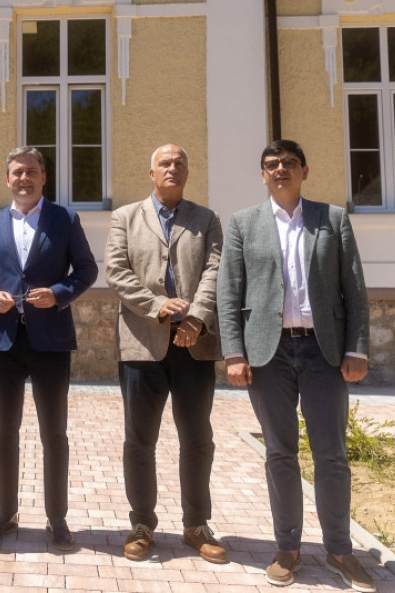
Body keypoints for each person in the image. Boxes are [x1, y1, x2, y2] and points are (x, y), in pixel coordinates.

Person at [217, 139, 374, 592]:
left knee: (331, 454)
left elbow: (355, 289)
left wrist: (357, 349)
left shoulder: (333, 219)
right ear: (263, 174)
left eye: (289, 162)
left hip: (325, 352)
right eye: (272, 164)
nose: (280, 169)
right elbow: (230, 292)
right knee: (279, 452)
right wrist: (234, 353)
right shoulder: (243, 223)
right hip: (268, 355)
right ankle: (287, 549)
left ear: (304, 170)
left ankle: (340, 550)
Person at [0, 146, 97, 552]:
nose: (24, 179)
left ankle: (57, 518)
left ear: (43, 177)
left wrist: (58, 293)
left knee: (53, 433)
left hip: (50, 342)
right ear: (7, 179)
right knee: (4, 431)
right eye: (17, 173)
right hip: (5, 341)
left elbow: (87, 269)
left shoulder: (64, 219)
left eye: (31, 172)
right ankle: (5, 512)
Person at [104, 144, 227, 564]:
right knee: (139, 440)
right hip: (142, 343)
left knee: (198, 439)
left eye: (180, 163)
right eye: (165, 163)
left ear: (187, 172)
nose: (173, 168)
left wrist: (197, 318)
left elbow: (215, 271)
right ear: (151, 172)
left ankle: (196, 525)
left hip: (194, 345)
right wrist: (157, 305)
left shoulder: (206, 219)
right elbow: (116, 271)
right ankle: (141, 524)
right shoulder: (125, 217)